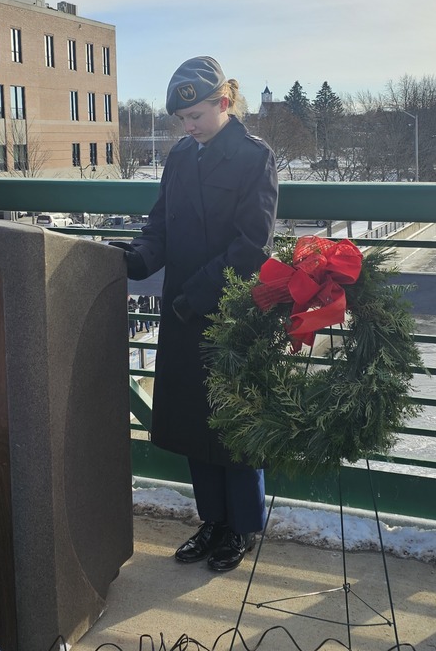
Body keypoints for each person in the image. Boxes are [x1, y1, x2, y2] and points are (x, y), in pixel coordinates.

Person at [111, 56, 278, 572]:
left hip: (229, 313)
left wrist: (195, 295)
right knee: (192, 421)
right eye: (182, 120)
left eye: (196, 116)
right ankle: (212, 521)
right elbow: (160, 224)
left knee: (234, 424)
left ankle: (242, 527)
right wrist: (136, 258)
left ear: (223, 103)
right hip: (183, 312)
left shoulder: (255, 158)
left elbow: (253, 244)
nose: (188, 127)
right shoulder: (181, 157)